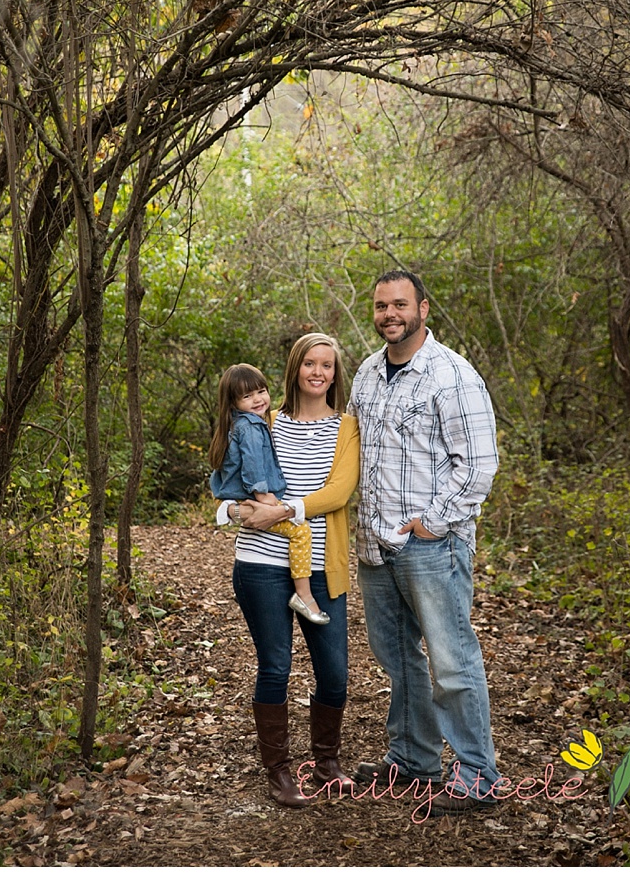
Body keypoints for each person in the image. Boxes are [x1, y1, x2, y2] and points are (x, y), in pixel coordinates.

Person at [347, 269, 501, 817]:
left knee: (452, 660)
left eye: (400, 305)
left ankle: (478, 777)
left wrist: (433, 522)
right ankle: (414, 760)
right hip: (375, 544)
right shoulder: (366, 373)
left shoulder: (451, 375)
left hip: (432, 546)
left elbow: (479, 466)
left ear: (423, 309)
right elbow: (350, 454)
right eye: (381, 305)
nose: (390, 314)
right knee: (398, 659)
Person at [215, 334, 360, 808]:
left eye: (328, 365)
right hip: (260, 564)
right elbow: (226, 478)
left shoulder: (347, 428)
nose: (318, 372)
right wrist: (234, 514)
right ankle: (278, 771)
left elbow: (338, 494)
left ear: (335, 375)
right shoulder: (265, 419)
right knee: (275, 667)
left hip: (321, 568)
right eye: (310, 363)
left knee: (334, 673)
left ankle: (327, 762)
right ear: (296, 368)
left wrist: (280, 512)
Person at [209, 363, 329, 624]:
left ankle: (303, 594)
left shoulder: (236, 425)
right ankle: (304, 595)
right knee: (300, 532)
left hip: (244, 499)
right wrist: (263, 496)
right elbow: (253, 464)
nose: (257, 399)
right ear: (233, 401)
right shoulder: (250, 427)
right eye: (247, 396)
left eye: (261, 391)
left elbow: (219, 476)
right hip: (254, 498)